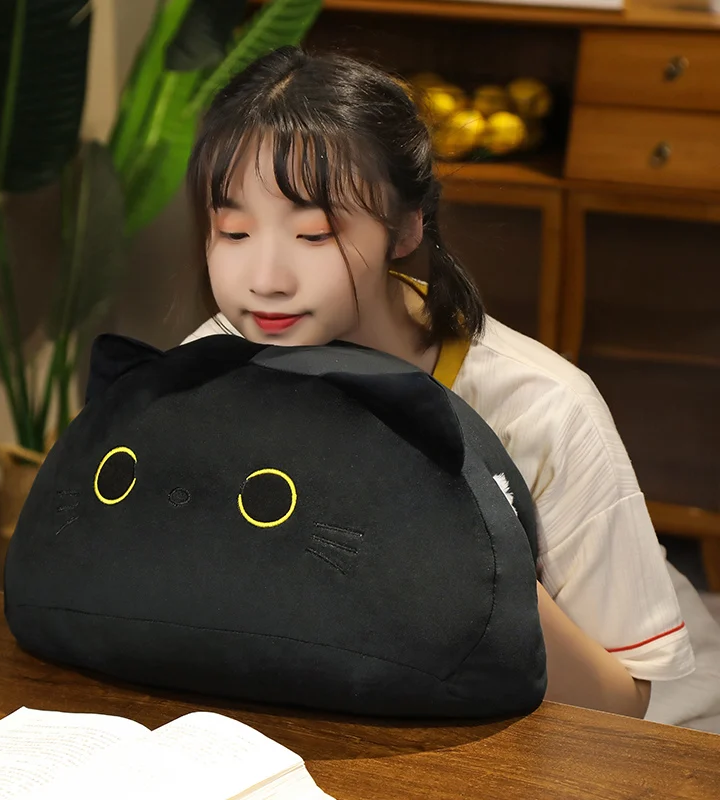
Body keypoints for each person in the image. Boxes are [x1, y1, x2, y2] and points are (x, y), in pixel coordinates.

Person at [181, 45, 720, 727]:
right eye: (233, 231)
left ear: (406, 226)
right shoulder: (207, 364)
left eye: (314, 234)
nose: (265, 280)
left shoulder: (545, 409)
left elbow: (622, 703)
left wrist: (463, 552)